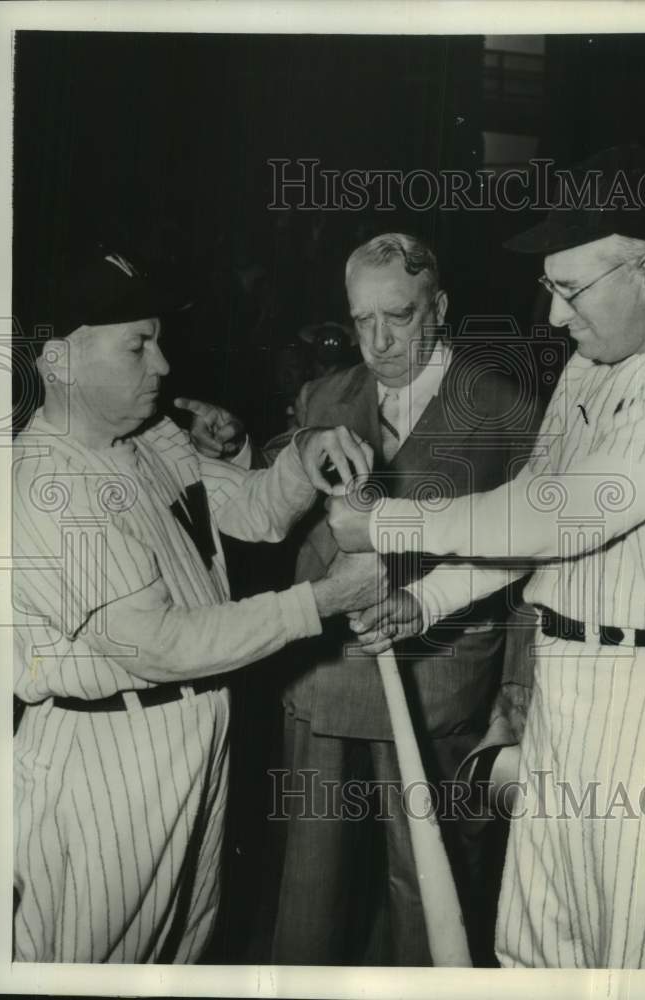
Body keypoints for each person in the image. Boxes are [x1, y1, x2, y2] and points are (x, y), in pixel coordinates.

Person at [328, 146, 645, 969]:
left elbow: (562, 517)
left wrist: (389, 527)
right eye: (549, 290)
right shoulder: (598, 356)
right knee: (537, 943)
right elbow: (538, 499)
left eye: (570, 290)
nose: (553, 318)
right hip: (567, 684)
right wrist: (431, 599)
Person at [12, 247, 386, 964]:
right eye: (137, 345)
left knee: (182, 948)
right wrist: (323, 602)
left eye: (159, 340)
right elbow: (160, 646)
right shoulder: (46, 484)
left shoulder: (146, 440)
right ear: (59, 362)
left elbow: (255, 513)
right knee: (91, 961)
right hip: (107, 757)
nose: (162, 365)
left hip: (193, 735)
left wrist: (300, 455)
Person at [186, 233, 537, 964]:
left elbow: (540, 568)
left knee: (432, 893)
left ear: (438, 307)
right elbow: (277, 489)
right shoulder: (327, 393)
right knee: (310, 890)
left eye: (399, 318)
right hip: (323, 679)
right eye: (361, 320)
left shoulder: (506, 408)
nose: (377, 341)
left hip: (439, 687)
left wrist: (516, 699)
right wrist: (242, 450)